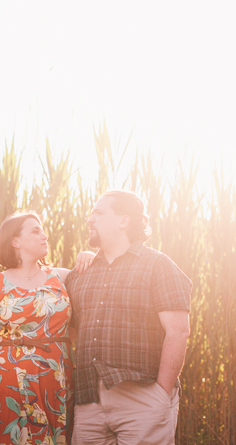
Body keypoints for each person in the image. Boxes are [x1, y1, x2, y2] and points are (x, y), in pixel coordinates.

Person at [66, 190, 192, 445]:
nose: (90, 219)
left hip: (142, 399)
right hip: (88, 404)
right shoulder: (80, 273)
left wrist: (161, 394)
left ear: (124, 221)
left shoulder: (158, 266)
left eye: (99, 213)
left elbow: (178, 332)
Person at [0, 210, 94, 445]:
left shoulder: (61, 277)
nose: (44, 236)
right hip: (7, 386)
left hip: (57, 383)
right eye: (36, 231)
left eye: (43, 231)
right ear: (15, 242)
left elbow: (100, 277)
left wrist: (88, 256)